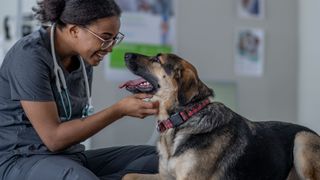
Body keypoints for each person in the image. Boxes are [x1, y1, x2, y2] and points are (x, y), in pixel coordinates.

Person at [0, 0, 159, 179]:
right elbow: (54, 139)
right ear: (74, 30)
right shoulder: (29, 56)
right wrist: (119, 110)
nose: (111, 47)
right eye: (105, 38)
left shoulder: (83, 59)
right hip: (22, 160)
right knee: (79, 177)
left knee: (159, 159)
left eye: (114, 39)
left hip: (70, 157)